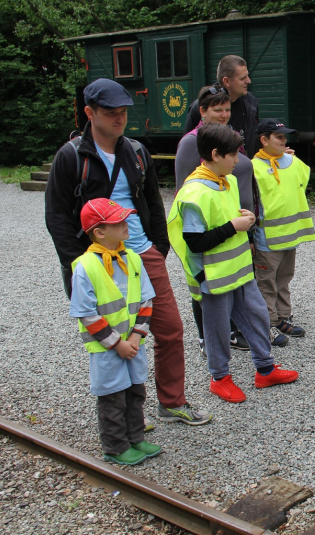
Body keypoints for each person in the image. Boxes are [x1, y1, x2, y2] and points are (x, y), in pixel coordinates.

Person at [45, 78, 212, 427]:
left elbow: (152, 200)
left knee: (168, 329)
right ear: (90, 113)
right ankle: (127, 417)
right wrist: (79, 264)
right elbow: (57, 216)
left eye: (123, 113)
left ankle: (171, 403)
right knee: (112, 339)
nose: (119, 119)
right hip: (97, 262)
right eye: (111, 113)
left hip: (140, 254)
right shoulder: (71, 157)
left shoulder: (136, 152)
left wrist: (158, 246)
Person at [167, 123, 299, 404]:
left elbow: (225, 220)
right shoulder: (194, 193)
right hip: (214, 278)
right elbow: (195, 242)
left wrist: (243, 220)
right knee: (217, 331)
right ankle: (220, 379)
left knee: (257, 317)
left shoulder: (221, 180)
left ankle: (265, 370)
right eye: (233, 154)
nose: (238, 160)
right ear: (216, 154)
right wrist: (234, 226)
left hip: (239, 272)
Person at [70, 198, 162, 466]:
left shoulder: (132, 257)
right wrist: (116, 343)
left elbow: (146, 300)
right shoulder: (85, 266)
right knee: (112, 397)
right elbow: (87, 313)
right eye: (118, 222)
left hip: (133, 344)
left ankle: (135, 438)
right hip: (106, 348)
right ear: (99, 231)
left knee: (135, 392)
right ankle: (114, 445)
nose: (126, 225)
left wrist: (135, 337)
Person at [176, 85, 257, 355]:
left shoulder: (230, 137)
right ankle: (208, 339)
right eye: (217, 109)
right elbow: (185, 190)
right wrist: (230, 226)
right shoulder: (192, 142)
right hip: (213, 229)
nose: (224, 114)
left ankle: (232, 331)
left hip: (237, 223)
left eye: (227, 109)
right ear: (202, 111)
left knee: (231, 283)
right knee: (207, 288)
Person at [252, 118, 315, 346]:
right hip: (267, 240)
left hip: (290, 236)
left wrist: (288, 157)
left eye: (284, 137)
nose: (284, 140)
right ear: (263, 140)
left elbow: (301, 180)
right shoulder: (253, 167)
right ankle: (267, 323)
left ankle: (282, 317)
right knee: (266, 282)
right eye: (279, 137)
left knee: (284, 279)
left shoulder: (291, 161)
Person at [183, 55, 260, 158]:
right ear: (227, 81)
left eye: (227, 110)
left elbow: (254, 143)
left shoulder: (251, 104)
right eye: (243, 78)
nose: (249, 81)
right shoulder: (200, 106)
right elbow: (188, 150)